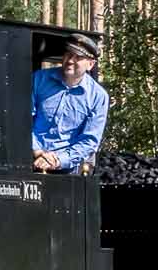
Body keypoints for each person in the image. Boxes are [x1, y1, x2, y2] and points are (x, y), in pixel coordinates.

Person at [30, 36, 108, 173]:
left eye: (78, 57)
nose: (70, 60)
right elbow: (22, 119)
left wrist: (58, 160)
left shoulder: (98, 96)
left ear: (91, 64)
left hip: (67, 171)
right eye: (68, 54)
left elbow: (89, 141)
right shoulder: (38, 79)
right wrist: (37, 151)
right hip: (28, 160)